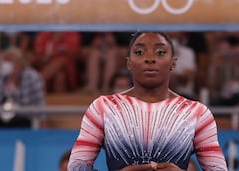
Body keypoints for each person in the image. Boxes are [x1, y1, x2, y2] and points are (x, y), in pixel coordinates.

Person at [68, 32, 227, 170]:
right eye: (139, 52)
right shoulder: (103, 107)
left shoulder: (196, 112)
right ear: (129, 62)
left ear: (173, 62)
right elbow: (76, 166)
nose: (150, 58)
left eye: (160, 52)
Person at [0, 47, 46, 128]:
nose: (6, 64)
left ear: (19, 63)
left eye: (9, 61)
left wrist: (44, 130)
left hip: (24, 119)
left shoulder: (33, 77)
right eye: (5, 61)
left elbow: (40, 106)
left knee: (21, 122)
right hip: (0, 119)